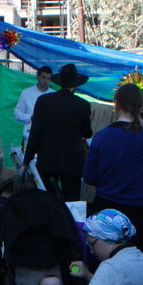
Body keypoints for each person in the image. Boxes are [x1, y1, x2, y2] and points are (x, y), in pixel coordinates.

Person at [83, 83, 143, 247]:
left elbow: (89, 177)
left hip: (105, 208)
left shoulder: (101, 136)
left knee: (104, 260)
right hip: (135, 211)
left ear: (116, 103)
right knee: (133, 259)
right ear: (140, 107)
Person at [23, 63, 93, 203]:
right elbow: (87, 133)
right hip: (72, 161)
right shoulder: (83, 105)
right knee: (71, 203)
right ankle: (69, 224)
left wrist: (27, 158)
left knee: (47, 202)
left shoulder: (43, 101)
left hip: (48, 159)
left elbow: (35, 133)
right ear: (75, 84)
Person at [13, 65, 53, 144]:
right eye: (43, 77)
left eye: (48, 78)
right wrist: (30, 117)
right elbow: (17, 113)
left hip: (49, 136)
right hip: (30, 135)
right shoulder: (26, 93)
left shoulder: (54, 94)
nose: (45, 81)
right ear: (37, 77)